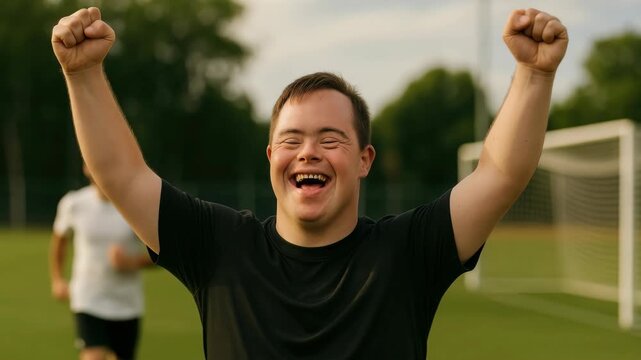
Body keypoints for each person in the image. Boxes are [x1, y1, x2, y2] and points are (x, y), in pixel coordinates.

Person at [51, 6, 568, 359]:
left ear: (364, 159)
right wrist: (83, 75)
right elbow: (120, 174)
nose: (309, 152)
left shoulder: (407, 253)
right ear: (272, 156)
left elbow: (500, 174)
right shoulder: (218, 245)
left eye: (330, 138)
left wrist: (535, 75)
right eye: (292, 139)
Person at [49, 164, 154, 360]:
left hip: (127, 303)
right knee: (93, 356)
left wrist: (133, 262)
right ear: (86, 169)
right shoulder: (73, 204)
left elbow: (160, 254)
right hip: (88, 299)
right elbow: (59, 240)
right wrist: (57, 279)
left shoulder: (134, 206)